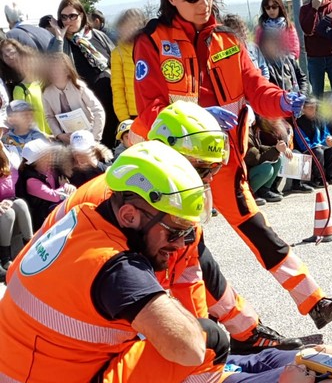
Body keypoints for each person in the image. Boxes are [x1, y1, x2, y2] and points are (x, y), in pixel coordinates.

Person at [0, 142, 248, 383]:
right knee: (209, 340)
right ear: (130, 215)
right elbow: (188, 348)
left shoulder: (79, 216)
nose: (180, 245)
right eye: (174, 232)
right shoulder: (117, 270)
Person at [133, 0, 332, 330]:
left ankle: (314, 300)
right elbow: (150, 111)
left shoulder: (228, 38)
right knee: (190, 254)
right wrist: (200, 119)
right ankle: (240, 330)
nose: (204, 3)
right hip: (176, 170)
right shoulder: (152, 41)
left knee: (257, 229)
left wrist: (281, 100)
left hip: (224, 161)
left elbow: (255, 87)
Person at [29, 101, 304, 355]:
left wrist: (205, 341)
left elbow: (189, 276)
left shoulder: (158, 195)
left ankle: (247, 333)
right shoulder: (124, 199)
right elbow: (145, 290)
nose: (208, 180)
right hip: (62, 335)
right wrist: (196, 348)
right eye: (202, 169)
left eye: (213, 170)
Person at [47, 0, 119, 148]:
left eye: (72, 16)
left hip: (112, 98)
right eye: (64, 17)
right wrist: (59, 38)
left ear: (82, 15)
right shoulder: (58, 42)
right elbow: (53, 66)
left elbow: (116, 60)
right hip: (85, 109)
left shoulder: (97, 35)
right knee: (94, 148)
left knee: (115, 143)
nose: (68, 21)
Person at [42, 53, 105, 144]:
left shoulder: (79, 86)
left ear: (67, 71)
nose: (54, 74)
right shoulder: (47, 93)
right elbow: (49, 117)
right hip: (66, 139)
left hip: (88, 135)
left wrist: (94, 137)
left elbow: (98, 110)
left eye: (58, 70)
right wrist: (59, 135)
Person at [15, 138, 73, 230]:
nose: (52, 155)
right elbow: (54, 196)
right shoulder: (31, 180)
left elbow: (66, 182)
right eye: (48, 154)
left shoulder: (51, 169)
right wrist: (64, 186)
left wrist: (68, 186)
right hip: (41, 219)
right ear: (39, 160)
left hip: (54, 211)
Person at [0, 145, 33, 281]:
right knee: (8, 214)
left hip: (5, 201)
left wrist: (8, 200)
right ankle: (5, 259)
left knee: (20, 204)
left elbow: (10, 192)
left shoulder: (5, 163)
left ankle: (31, 247)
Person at [300, 0, 332, 97]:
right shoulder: (305, 9)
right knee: (317, 94)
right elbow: (307, 30)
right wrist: (314, 9)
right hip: (314, 58)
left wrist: (318, 30)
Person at [110, 9, 146, 124]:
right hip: (132, 115)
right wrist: (124, 120)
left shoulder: (150, 48)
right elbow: (117, 88)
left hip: (154, 110)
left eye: (137, 24)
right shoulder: (118, 53)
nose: (133, 28)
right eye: (128, 25)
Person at [8, 43, 50, 134]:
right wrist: (43, 135)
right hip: (39, 137)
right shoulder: (20, 89)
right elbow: (23, 120)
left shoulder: (44, 83)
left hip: (57, 134)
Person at [222, 14, 270, 79]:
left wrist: (264, 81)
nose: (240, 32)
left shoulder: (253, 47)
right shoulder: (226, 54)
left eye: (240, 28)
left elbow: (263, 68)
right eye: (235, 29)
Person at [3, 100, 47, 165]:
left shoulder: (38, 136)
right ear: (11, 120)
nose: (29, 117)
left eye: (31, 114)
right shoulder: (6, 139)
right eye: (24, 115)